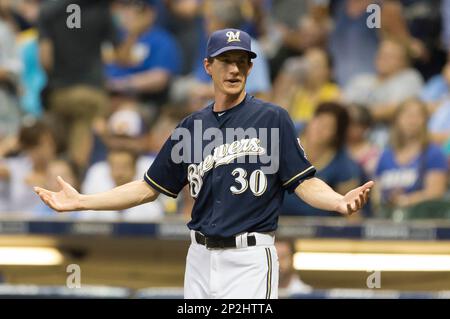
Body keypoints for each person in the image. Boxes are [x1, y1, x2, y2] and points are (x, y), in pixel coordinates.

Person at [34, 28, 373, 299]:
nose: (235, 68)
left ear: (251, 67)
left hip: (249, 256)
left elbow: (302, 181)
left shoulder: (271, 118)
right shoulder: (190, 128)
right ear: (208, 66)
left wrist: (338, 201)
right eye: (226, 60)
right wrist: (83, 201)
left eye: (242, 60)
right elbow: (147, 188)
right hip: (199, 255)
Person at [374, 98, 448, 211]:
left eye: (417, 116)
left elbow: (435, 193)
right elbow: (376, 193)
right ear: (397, 120)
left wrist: (405, 200)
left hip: (421, 218)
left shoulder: (433, 153)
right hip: (387, 218)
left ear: (425, 120)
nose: (412, 121)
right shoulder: (386, 155)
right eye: (407, 115)